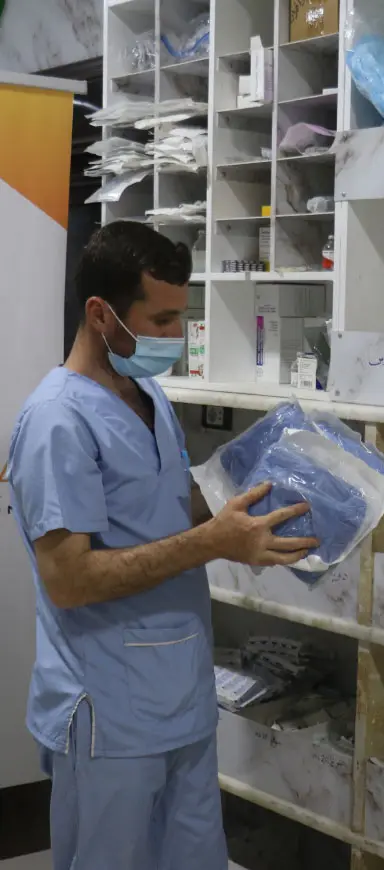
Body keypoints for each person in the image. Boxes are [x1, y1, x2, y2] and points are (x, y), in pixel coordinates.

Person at [8, 221, 317, 870]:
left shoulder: (147, 394)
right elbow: (70, 579)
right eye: (162, 319)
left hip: (181, 697)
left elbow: (167, 504)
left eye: (182, 316)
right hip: (109, 712)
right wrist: (214, 542)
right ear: (101, 314)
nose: (176, 337)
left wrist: (263, 490)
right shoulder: (56, 421)